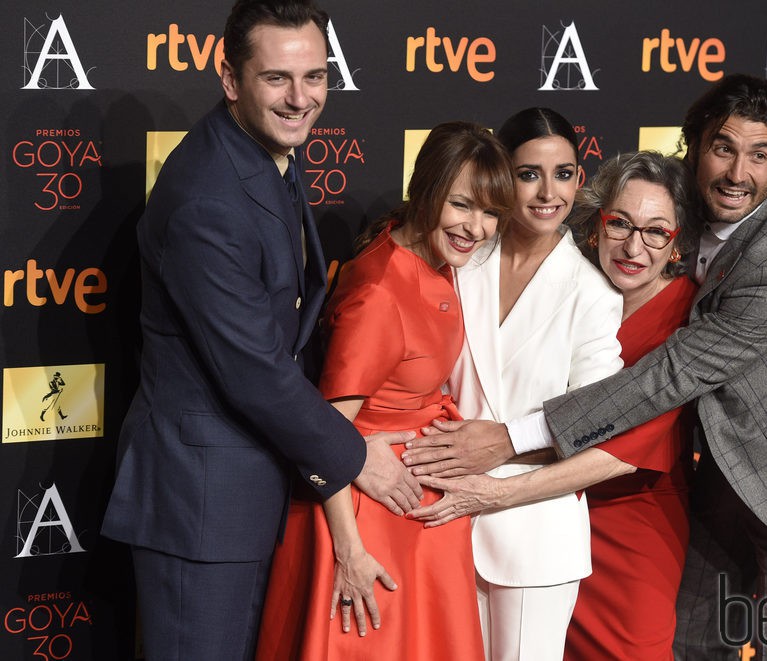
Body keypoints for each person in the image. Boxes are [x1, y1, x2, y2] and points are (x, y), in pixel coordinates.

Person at [403, 74, 767, 659]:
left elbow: (669, 377)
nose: (738, 173)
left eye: (760, 156)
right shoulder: (657, 216)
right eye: (723, 148)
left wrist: (507, 443)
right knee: (691, 645)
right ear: (695, 147)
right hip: (716, 478)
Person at [99, 2, 412, 658]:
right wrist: (355, 457)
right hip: (201, 508)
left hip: (248, 493)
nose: (301, 100)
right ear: (230, 77)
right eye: (277, 79)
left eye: (315, 77)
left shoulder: (262, 148)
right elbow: (256, 371)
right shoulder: (208, 198)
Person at [411, 150, 700, 659]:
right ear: (596, 223)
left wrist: (496, 481)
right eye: (620, 224)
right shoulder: (571, 284)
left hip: (630, 529)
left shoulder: (685, 324)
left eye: (656, 231)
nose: (635, 246)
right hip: (539, 518)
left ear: (676, 244)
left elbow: (618, 450)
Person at [256, 121, 515, 661]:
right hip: (369, 519)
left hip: (413, 512)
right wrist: (350, 553)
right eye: (462, 205)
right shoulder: (380, 293)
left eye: (490, 213)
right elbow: (325, 433)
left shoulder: (432, 258)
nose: (477, 228)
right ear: (426, 189)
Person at [443, 107, 623, 660]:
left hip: (534, 532)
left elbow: (599, 420)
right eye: (529, 174)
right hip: (440, 518)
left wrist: (502, 445)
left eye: (565, 173)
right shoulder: (461, 258)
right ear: (503, 176)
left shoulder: (592, 294)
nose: (550, 192)